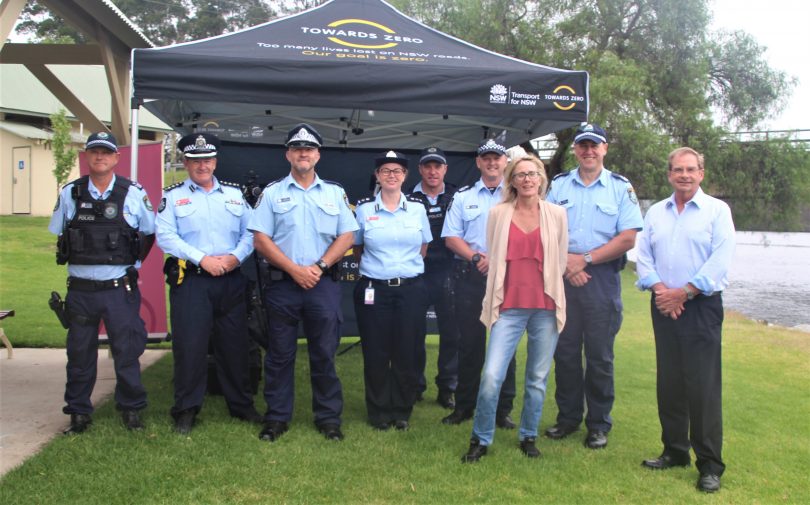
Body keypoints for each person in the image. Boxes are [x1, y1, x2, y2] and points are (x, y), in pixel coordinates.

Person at [249, 123, 358, 442]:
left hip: (321, 284)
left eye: (308, 149)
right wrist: (294, 269)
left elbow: (347, 235)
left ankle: (328, 418)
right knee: (280, 355)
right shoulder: (273, 193)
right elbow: (260, 238)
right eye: (297, 149)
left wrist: (320, 265)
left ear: (318, 155)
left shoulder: (335, 193)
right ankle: (277, 418)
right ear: (288, 154)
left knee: (324, 353)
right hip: (283, 285)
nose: (303, 154)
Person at [636, 147, 735, 493]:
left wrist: (686, 292)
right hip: (664, 304)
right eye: (678, 170)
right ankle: (674, 451)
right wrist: (664, 291)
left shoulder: (717, 211)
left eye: (691, 169)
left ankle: (709, 464)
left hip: (701, 306)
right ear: (669, 174)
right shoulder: (656, 213)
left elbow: (721, 259)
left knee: (702, 387)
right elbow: (643, 256)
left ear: (701, 174)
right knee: (670, 382)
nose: (684, 175)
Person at [462, 155, 568, 463]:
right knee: (492, 376)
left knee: (537, 378)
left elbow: (559, 260)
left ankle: (528, 436)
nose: (527, 179)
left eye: (532, 174)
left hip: (545, 307)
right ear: (512, 181)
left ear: (541, 179)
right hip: (507, 307)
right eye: (520, 174)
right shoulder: (498, 214)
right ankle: (480, 438)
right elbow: (495, 259)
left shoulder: (557, 214)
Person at [545, 123, 643, 449]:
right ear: (575, 149)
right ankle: (568, 419)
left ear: (604, 149)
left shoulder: (620, 187)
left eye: (594, 145)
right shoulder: (558, 186)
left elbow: (628, 237)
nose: (588, 151)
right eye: (583, 145)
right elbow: (545, 230)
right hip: (563, 276)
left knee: (600, 357)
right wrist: (568, 265)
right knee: (566, 353)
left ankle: (599, 424)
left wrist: (583, 259)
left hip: (601, 278)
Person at [49, 132, 155, 434]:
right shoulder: (70, 193)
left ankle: (131, 409)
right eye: (94, 152)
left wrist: (132, 266)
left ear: (115, 158)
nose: (99, 157)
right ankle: (79, 412)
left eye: (105, 153)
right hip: (81, 291)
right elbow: (60, 233)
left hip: (118, 290)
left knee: (127, 351)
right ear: (87, 156)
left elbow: (148, 233)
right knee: (80, 354)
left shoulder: (133, 193)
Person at [156, 133, 260, 434]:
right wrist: (203, 259)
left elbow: (251, 232)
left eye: (207, 160)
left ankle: (241, 405)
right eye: (195, 160)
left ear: (215, 162)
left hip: (230, 279)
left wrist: (234, 259)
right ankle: (186, 409)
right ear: (186, 163)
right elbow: (166, 236)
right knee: (190, 347)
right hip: (192, 281)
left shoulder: (234, 194)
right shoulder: (173, 197)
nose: (202, 165)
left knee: (235, 346)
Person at [440, 139, 517, 428]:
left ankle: (502, 410)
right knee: (469, 346)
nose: (492, 163)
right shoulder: (463, 196)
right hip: (470, 278)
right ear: (478, 162)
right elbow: (451, 237)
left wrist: (497, 260)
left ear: (505, 161)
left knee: (504, 347)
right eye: (486, 158)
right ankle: (464, 407)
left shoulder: (516, 196)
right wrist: (475, 257)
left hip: (507, 278)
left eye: (497, 158)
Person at [354, 151, 432, 430]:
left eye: (397, 171)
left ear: (405, 176)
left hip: (410, 289)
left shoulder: (417, 209)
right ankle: (378, 412)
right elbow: (358, 246)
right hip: (374, 288)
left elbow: (423, 247)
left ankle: (401, 409)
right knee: (376, 351)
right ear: (377, 176)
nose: (391, 175)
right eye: (385, 170)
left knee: (406, 351)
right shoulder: (363, 209)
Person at [408, 147, 460, 409]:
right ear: (420, 169)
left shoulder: (456, 196)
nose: (432, 171)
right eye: (427, 166)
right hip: (417, 273)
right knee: (414, 333)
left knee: (452, 333)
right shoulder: (406, 198)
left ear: (444, 170)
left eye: (437, 166)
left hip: (448, 273)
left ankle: (447, 388)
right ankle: (415, 385)